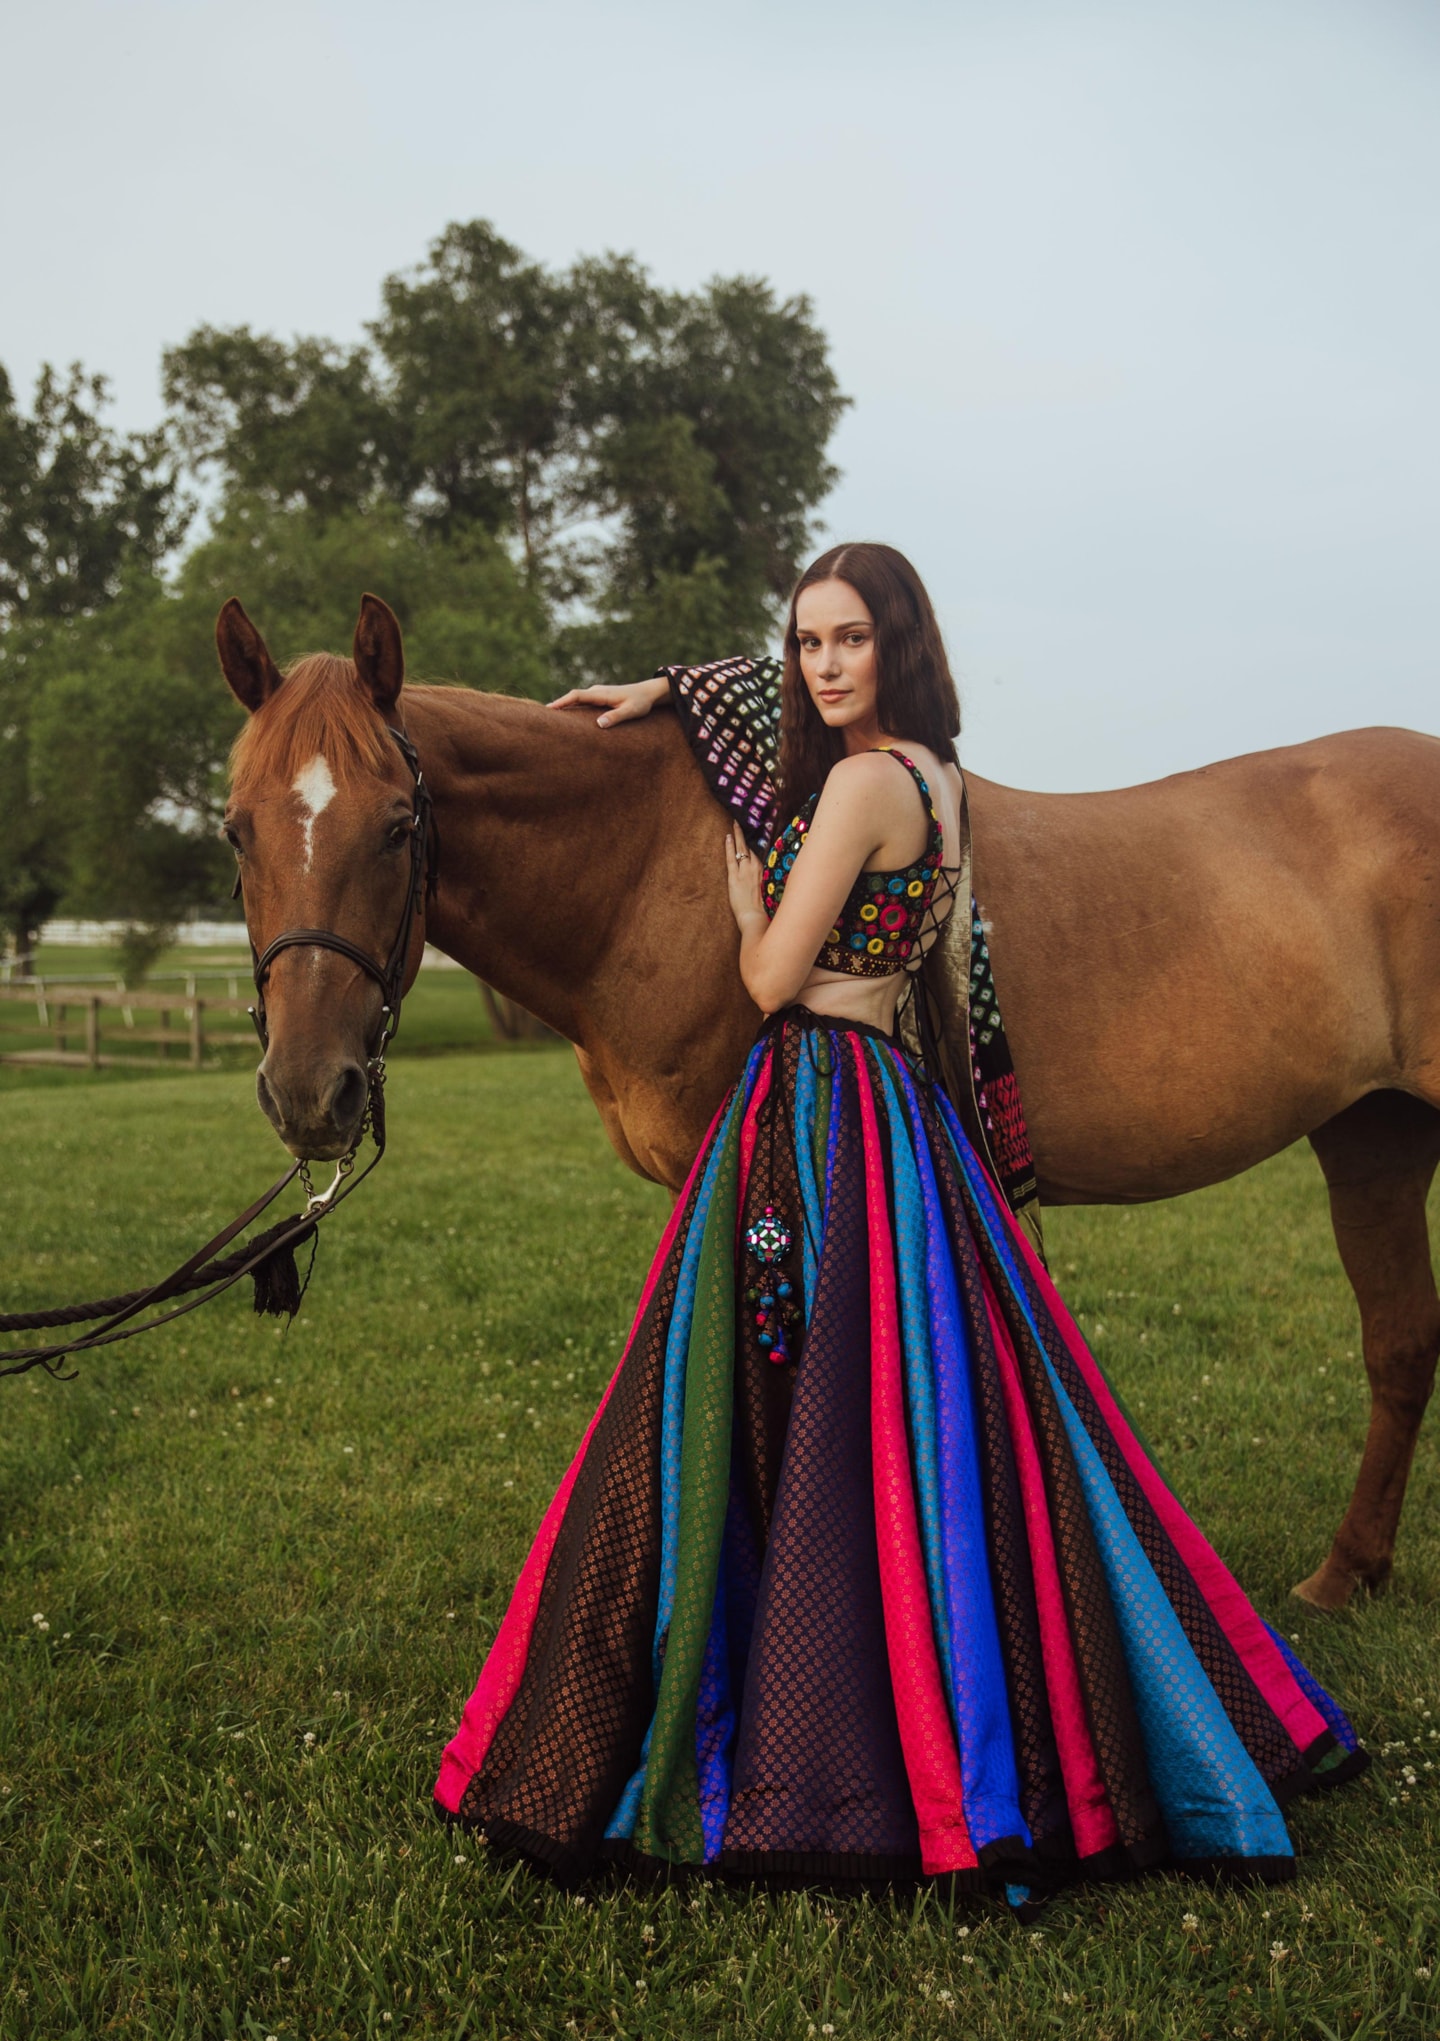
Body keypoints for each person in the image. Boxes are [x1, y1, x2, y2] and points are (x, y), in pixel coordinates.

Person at [435, 542, 1363, 1908]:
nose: (820, 664)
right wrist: (675, 694)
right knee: (924, 1402)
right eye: (805, 641)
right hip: (888, 1102)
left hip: (819, 1111)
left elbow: (763, 979)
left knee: (776, 1397)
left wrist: (755, 911)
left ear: (897, 645)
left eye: (848, 640)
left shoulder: (864, 786)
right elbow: (878, 940)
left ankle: (807, 1712)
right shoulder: (935, 778)